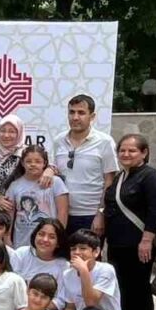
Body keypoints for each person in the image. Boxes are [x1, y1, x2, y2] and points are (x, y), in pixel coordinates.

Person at [103, 133, 156, 310]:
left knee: (139, 288)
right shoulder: (121, 177)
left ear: (144, 153)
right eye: (122, 150)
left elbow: (155, 210)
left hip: (139, 244)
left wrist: (147, 239)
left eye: (132, 150)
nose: (126, 154)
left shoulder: (150, 177)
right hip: (118, 244)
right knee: (124, 287)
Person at [48, 94, 119, 234]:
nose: (75, 117)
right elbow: (55, 170)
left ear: (92, 116)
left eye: (81, 113)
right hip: (60, 213)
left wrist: (101, 213)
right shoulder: (58, 140)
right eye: (71, 112)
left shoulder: (105, 142)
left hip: (91, 216)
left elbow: (109, 182)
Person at [5, 144, 68, 248]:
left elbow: (63, 212)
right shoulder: (14, 186)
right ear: (22, 163)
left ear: (45, 163)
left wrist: (59, 236)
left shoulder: (56, 182)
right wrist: (7, 237)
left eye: (38, 161)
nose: (33, 164)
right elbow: (9, 215)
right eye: (28, 161)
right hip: (21, 241)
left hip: (48, 241)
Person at [0, 114, 27, 223]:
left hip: (21, 213)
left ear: (19, 133)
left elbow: (48, 166)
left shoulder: (27, 154)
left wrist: (49, 170)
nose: (6, 135)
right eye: (2, 131)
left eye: (12, 131)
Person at [10, 219, 69, 287]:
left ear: (58, 243)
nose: (45, 239)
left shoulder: (63, 265)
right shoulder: (21, 254)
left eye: (51, 237)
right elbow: (11, 284)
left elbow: (61, 293)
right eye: (41, 234)